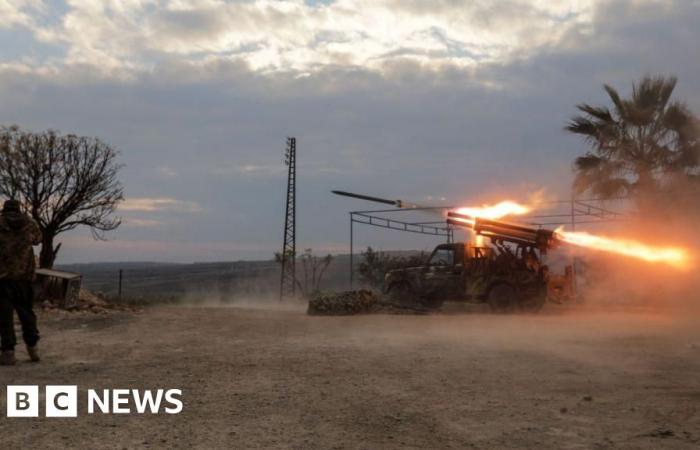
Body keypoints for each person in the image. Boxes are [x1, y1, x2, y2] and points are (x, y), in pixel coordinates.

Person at [0, 199, 42, 366]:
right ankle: (32, 348)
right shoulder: (30, 223)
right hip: (24, 277)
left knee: (4, 316)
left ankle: (8, 352)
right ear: (18, 209)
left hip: (2, 278)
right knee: (26, 312)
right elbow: (38, 239)